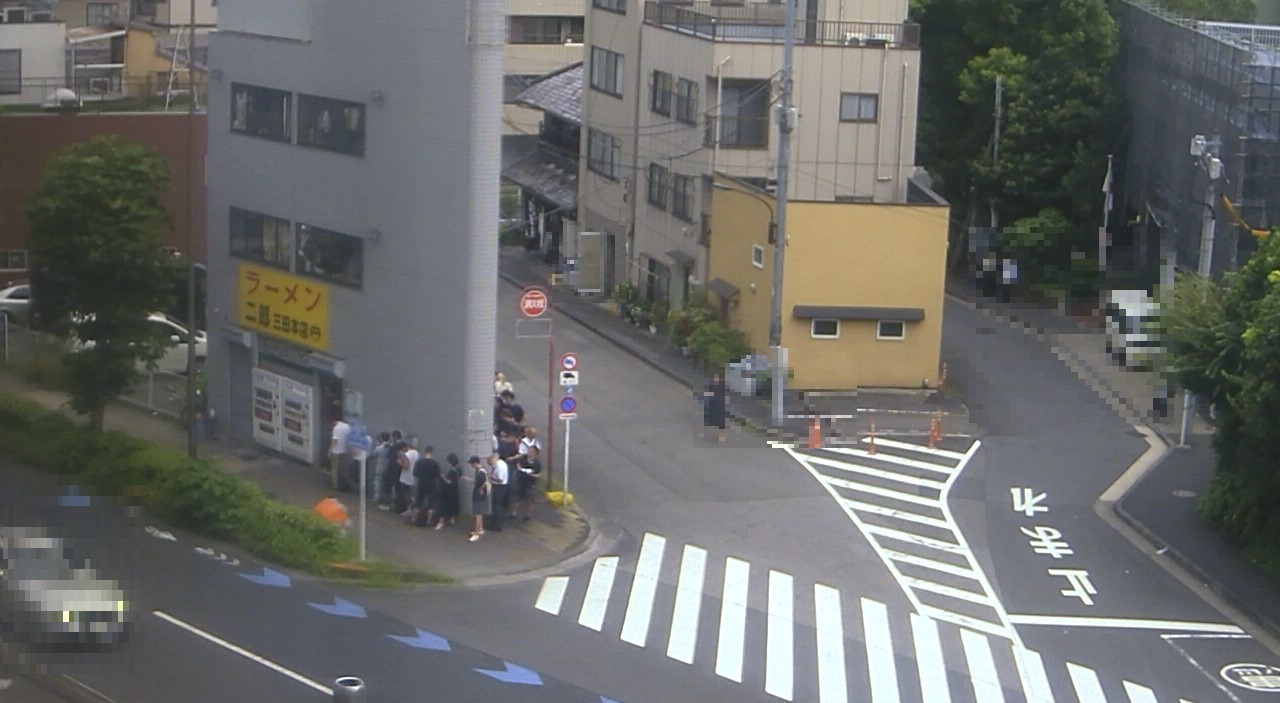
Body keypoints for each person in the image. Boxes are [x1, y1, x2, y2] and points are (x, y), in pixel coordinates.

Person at [514, 426, 543, 522]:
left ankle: (527, 515)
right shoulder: (523, 443)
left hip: (530, 483)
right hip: (521, 481)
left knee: (530, 499)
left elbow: (539, 473)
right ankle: (514, 513)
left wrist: (533, 475)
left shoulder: (537, 444)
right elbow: (520, 457)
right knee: (516, 497)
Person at [411, 446, 441, 527]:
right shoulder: (435, 463)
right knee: (431, 503)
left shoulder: (419, 462)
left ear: (425, 452)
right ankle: (428, 521)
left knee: (418, 501)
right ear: (432, 453)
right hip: (431, 484)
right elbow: (437, 475)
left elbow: (415, 474)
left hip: (421, 483)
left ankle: (414, 519)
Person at [484, 453, 509, 532]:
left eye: (490, 463)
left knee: (497, 506)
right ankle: (496, 522)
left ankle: (497, 525)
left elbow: (500, 479)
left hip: (499, 487)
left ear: (493, 459)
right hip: (500, 487)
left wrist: (491, 476)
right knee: (497, 505)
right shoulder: (501, 463)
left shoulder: (500, 466)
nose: (491, 465)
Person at [700, 373, 728, 443]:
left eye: (717, 377)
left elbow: (726, 396)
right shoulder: (712, 385)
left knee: (721, 420)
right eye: (715, 378)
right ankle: (703, 432)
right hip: (713, 403)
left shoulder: (722, 386)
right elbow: (707, 393)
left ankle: (721, 436)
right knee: (708, 418)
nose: (716, 379)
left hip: (719, 404)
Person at [437, 453, 463, 529]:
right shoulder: (459, 468)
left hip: (448, 491)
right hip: (455, 489)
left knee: (445, 506)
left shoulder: (452, 471)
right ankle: (452, 519)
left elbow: (449, 482)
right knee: (454, 504)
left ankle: (441, 522)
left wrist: (443, 477)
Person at [468, 455, 489, 542]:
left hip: (479, 496)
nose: (471, 466)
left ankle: (477, 533)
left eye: (472, 464)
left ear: (475, 463)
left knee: (478, 514)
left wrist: (480, 489)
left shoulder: (480, 472)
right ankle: (480, 529)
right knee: (479, 514)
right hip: (480, 496)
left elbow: (485, 483)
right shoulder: (480, 471)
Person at [328, 416, 351, 490]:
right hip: (345, 451)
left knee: (335, 469)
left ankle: (335, 486)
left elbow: (334, 441)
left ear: (333, 422)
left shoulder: (336, 428)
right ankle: (345, 485)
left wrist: (330, 451)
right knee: (343, 469)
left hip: (336, 452)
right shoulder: (347, 426)